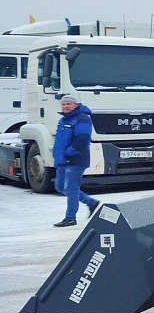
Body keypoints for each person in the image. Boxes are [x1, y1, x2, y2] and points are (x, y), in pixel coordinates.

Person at [52, 94, 99, 227]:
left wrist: (69, 153)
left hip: (76, 160)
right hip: (63, 160)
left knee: (71, 188)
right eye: (64, 104)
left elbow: (82, 139)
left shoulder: (82, 118)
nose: (66, 106)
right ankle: (91, 202)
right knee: (60, 187)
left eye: (69, 104)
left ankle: (70, 218)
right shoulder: (63, 120)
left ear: (76, 105)